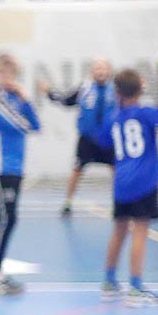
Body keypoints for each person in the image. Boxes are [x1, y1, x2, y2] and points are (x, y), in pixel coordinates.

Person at [102, 65, 158, 304]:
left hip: (121, 181)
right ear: (141, 90)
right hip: (143, 181)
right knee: (140, 232)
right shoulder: (145, 114)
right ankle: (135, 287)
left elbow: (103, 141)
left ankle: (109, 282)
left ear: (117, 92)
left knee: (119, 230)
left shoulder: (113, 117)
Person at [0, 52, 39, 295]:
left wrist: (25, 100)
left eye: (10, 74)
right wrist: (24, 106)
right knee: (6, 218)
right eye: (1, 73)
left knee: (7, 219)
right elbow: (20, 125)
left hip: (14, 167)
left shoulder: (14, 98)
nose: (6, 78)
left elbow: (35, 125)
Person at [38, 57, 115, 217]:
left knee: (116, 170)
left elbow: (129, 104)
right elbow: (66, 100)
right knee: (77, 169)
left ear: (109, 71)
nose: (100, 71)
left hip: (109, 139)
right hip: (87, 139)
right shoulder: (84, 89)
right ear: (92, 71)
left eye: (103, 68)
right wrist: (49, 92)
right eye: (97, 68)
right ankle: (68, 202)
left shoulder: (116, 90)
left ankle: (119, 202)